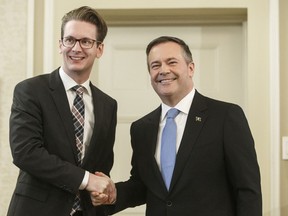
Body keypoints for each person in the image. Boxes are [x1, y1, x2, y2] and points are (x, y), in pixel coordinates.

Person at [91, 36, 262, 215]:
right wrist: (113, 193)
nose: (163, 70)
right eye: (155, 65)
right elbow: (142, 186)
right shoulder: (141, 129)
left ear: (190, 68)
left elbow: (248, 190)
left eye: (172, 62)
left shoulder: (226, 116)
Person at [7, 6, 117, 216]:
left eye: (86, 41)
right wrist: (87, 180)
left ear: (99, 49)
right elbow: (25, 152)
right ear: (60, 45)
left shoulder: (108, 105)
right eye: (70, 40)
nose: (76, 48)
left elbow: (101, 167)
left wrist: (102, 189)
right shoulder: (30, 91)